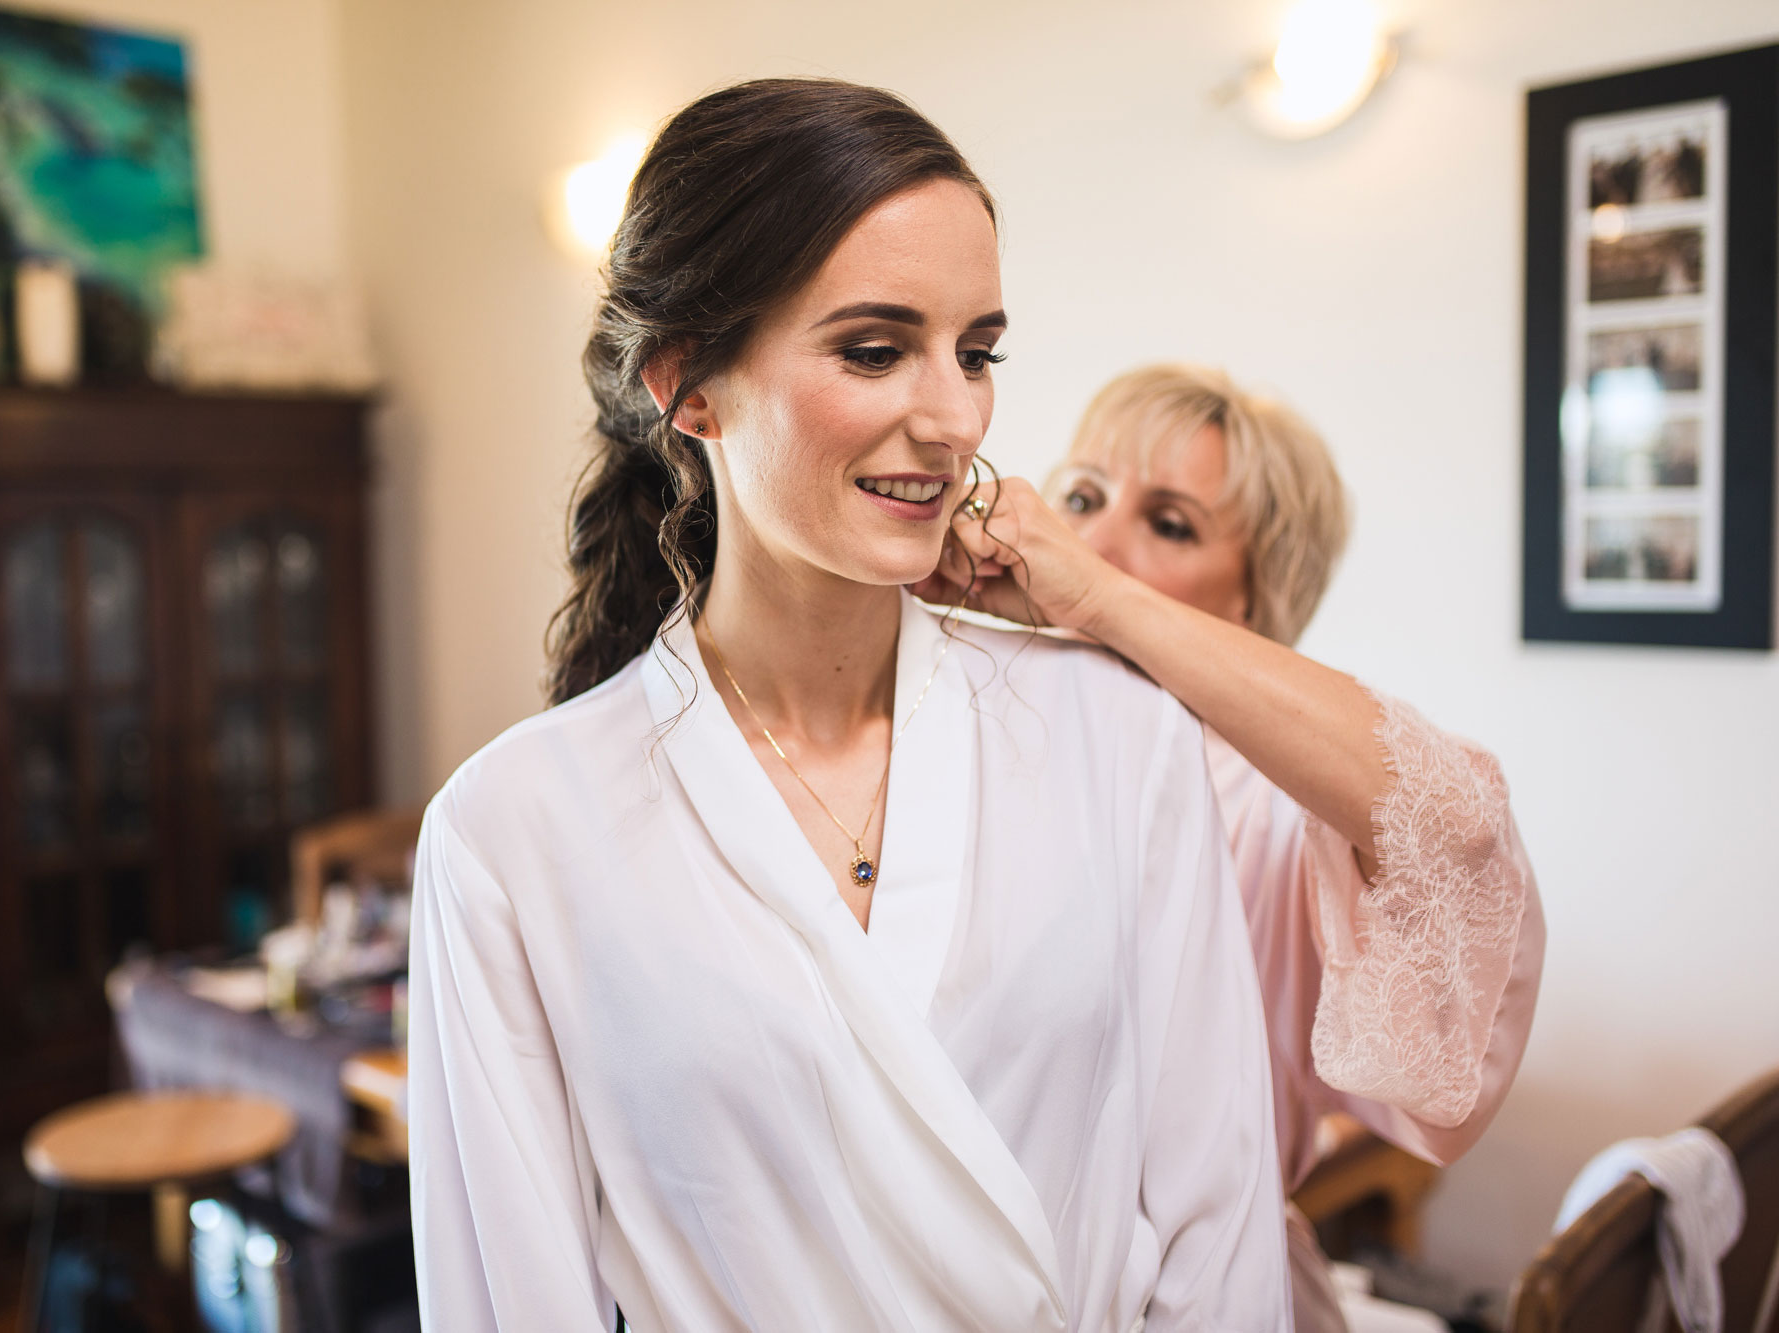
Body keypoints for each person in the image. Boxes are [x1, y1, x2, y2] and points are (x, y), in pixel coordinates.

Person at [405, 83, 1289, 1331]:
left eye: (975, 352)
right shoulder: (511, 834)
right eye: (874, 349)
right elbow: (511, 1303)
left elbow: (1222, 1232)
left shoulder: (1118, 740)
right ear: (688, 385)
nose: (954, 416)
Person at [919, 363, 1545, 1332]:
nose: (1091, 537)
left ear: (1254, 602)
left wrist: (1100, 597)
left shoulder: (1268, 811)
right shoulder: (946, 726)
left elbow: (1453, 829)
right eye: (1080, 495)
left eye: (1168, 523)